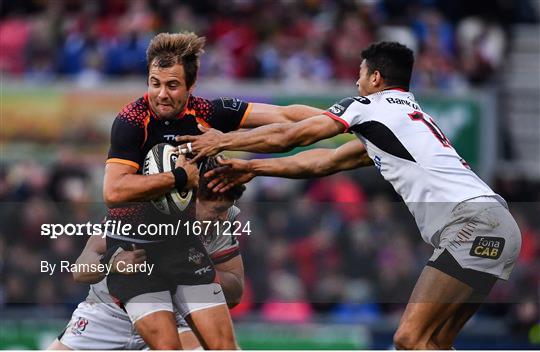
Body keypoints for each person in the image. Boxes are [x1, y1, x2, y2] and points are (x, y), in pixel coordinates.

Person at [177, 41, 522, 349]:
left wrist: (222, 141)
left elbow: (289, 135)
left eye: (359, 75)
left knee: (408, 339)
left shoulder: (369, 106)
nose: (355, 83)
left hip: (471, 225)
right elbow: (324, 162)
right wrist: (254, 169)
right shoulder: (407, 119)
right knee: (436, 342)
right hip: (499, 226)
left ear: (374, 78)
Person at [103, 31, 323, 349]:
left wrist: (345, 120)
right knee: (169, 347)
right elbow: (113, 191)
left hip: (182, 248)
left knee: (225, 347)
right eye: (155, 83)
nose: (161, 94)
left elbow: (286, 115)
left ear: (191, 86)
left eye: (172, 85)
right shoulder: (132, 121)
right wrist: (179, 178)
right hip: (136, 251)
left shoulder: (207, 113)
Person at [48, 157, 246, 350]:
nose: (222, 218)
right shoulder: (137, 212)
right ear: (189, 197)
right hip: (108, 314)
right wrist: (111, 263)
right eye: (217, 210)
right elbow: (80, 270)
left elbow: (235, 292)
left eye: (226, 209)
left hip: (175, 317)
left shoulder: (222, 225)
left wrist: (197, 270)